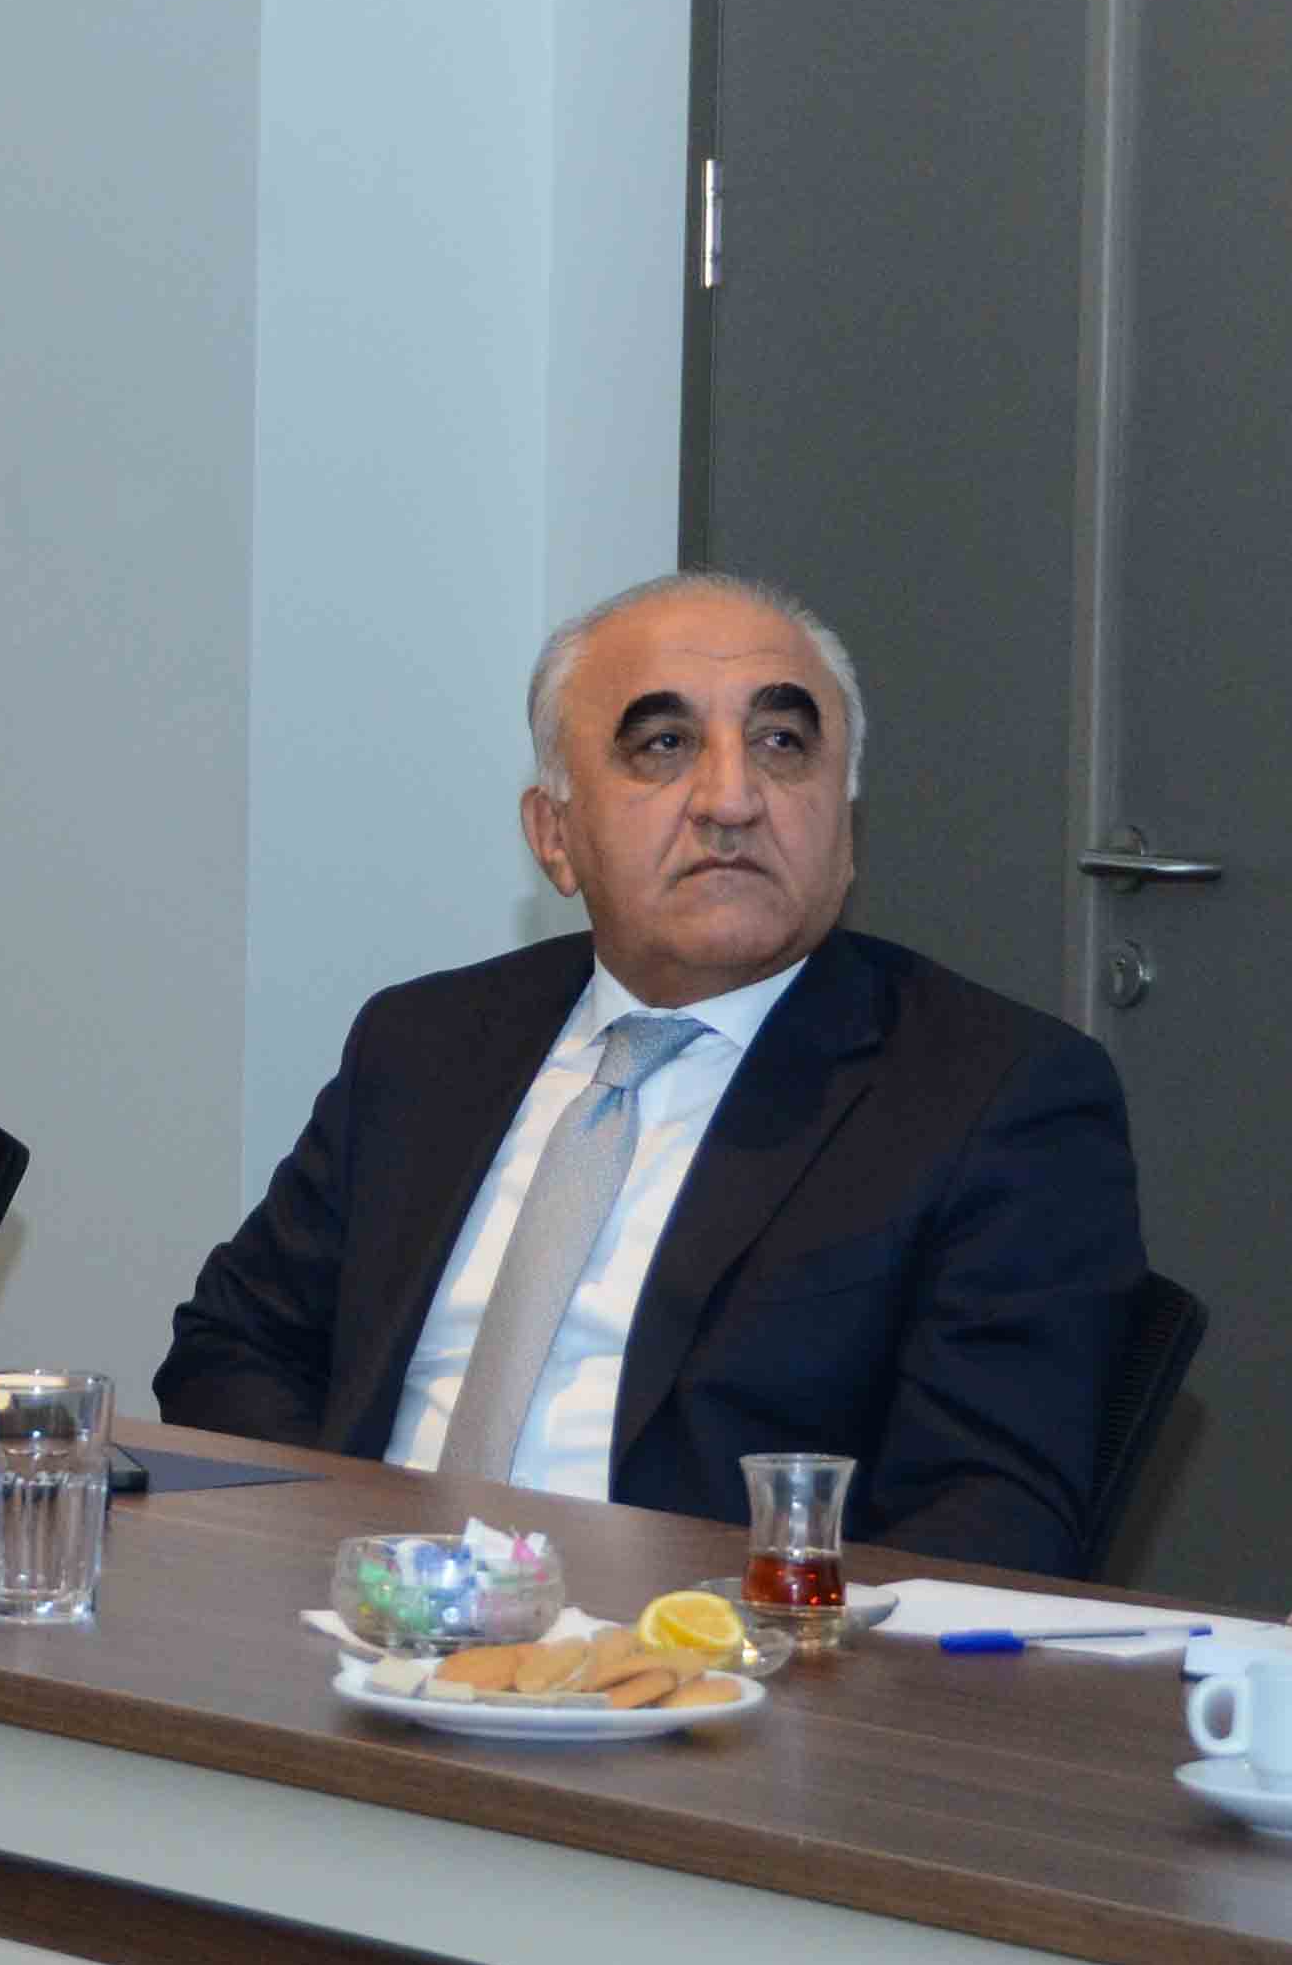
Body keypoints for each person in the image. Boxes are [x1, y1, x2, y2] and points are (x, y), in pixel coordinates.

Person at [157, 571, 1143, 1571]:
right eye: (664, 745)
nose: (731, 799)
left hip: (700, 1649)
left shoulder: (993, 1095)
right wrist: (345, 1564)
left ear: (845, 825)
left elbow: (992, 1521)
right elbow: (232, 1348)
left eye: (781, 743)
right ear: (554, 835)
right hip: (359, 1617)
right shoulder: (426, 1042)